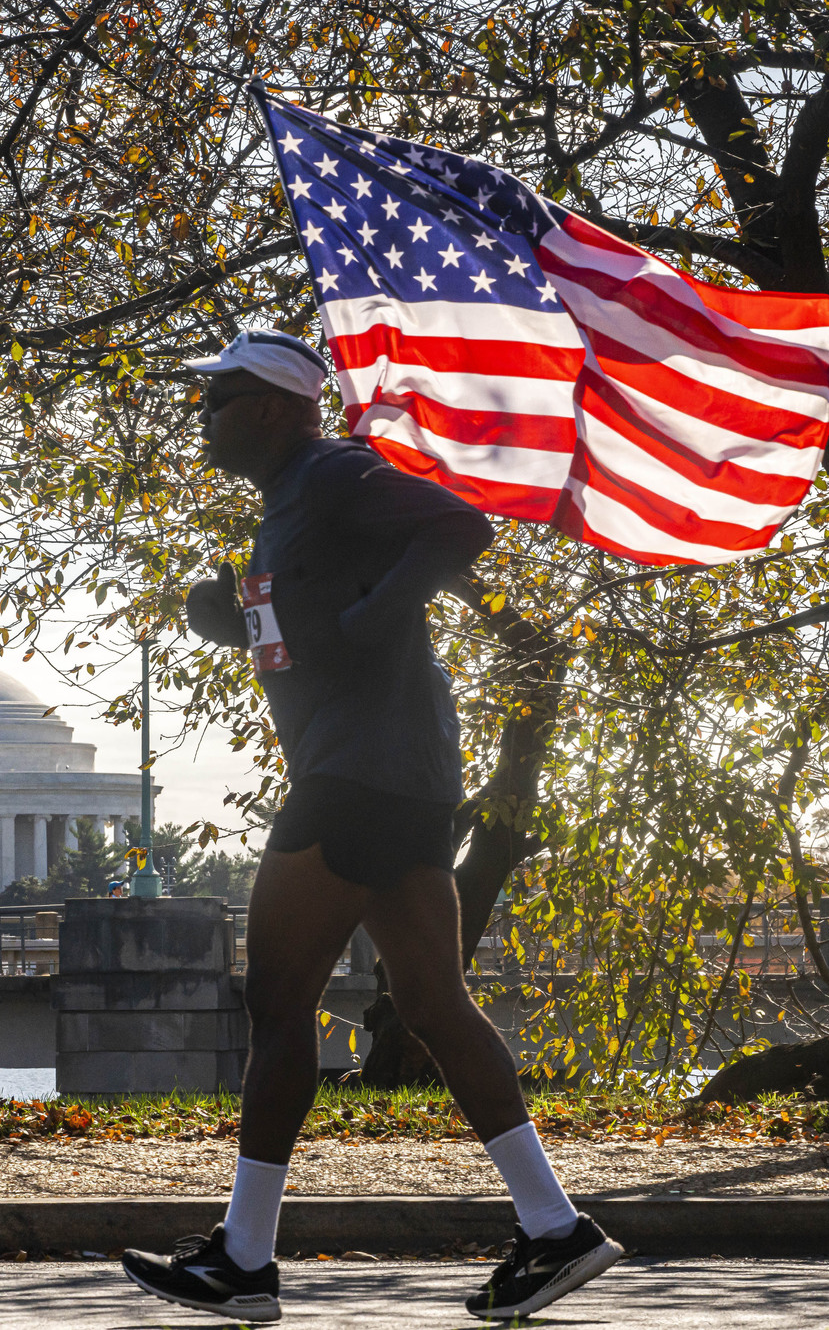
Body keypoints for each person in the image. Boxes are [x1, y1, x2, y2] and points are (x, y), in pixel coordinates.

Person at [119, 330, 621, 1322]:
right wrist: (234, 617)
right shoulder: (289, 508)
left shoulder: (333, 471)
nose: (201, 415)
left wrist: (373, 618)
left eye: (215, 398)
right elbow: (304, 639)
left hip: (354, 776)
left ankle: (243, 1260)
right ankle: (555, 1228)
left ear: (269, 406)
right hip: (403, 778)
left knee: (275, 1003)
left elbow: (457, 524)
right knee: (433, 1003)